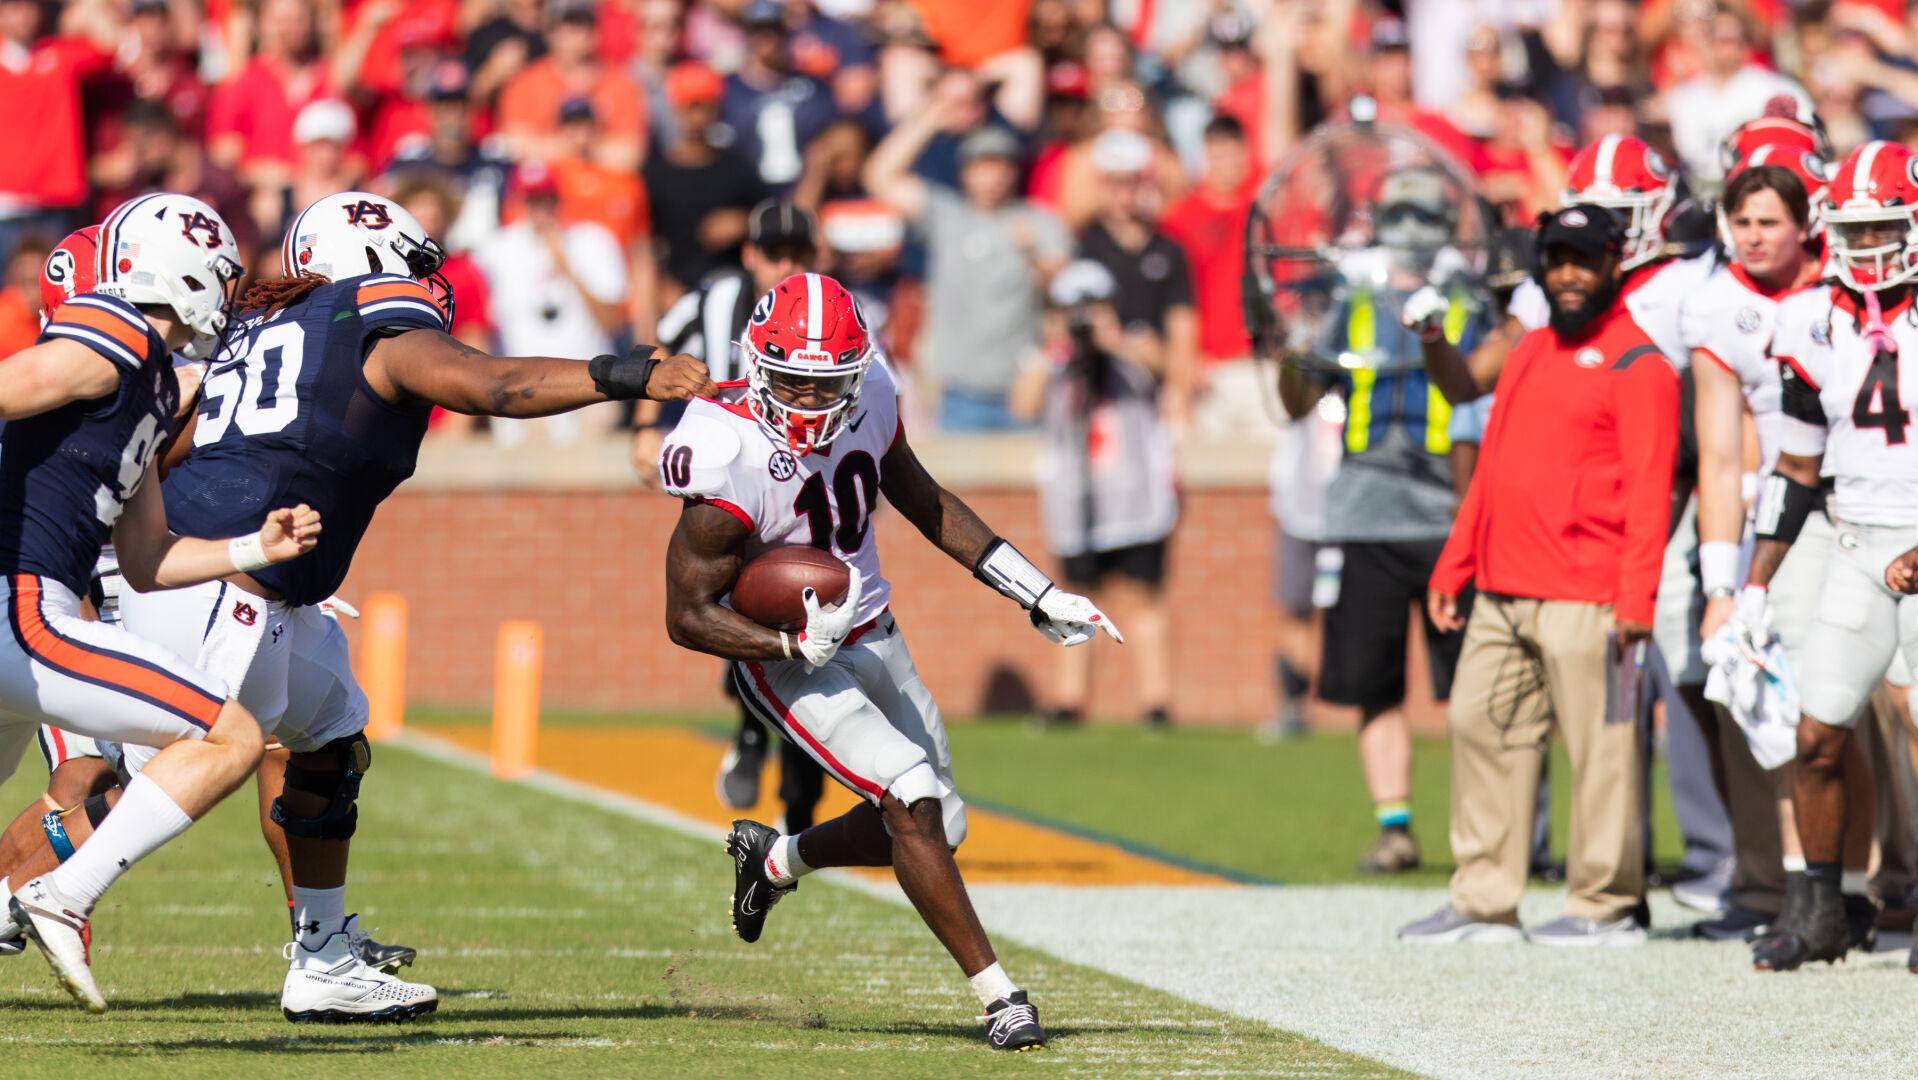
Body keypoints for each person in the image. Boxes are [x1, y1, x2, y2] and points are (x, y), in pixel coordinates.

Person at [89, 191, 712, 1022]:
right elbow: (495, 384)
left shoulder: (267, 325)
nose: (428, 284)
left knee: (332, 733)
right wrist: (624, 374)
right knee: (135, 779)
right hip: (222, 583)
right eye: (414, 265)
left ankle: (323, 958)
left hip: (215, 573)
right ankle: (55, 895)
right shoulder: (369, 318)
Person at [660, 272, 1120, 1052]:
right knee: (910, 795)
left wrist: (1036, 592)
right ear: (758, 364)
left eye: (827, 385)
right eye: (795, 384)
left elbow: (924, 498)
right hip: (788, 657)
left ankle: (776, 859)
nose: (811, 405)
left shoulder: (872, 393)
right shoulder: (721, 445)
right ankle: (999, 996)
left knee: (939, 823)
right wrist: (787, 645)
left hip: (875, 626)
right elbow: (686, 615)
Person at [0, 194, 322, 1013]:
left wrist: (256, 549)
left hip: (32, 608)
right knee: (231, 733)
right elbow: (13, 386)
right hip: (23, 606)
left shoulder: (146, 380)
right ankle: (62, 896)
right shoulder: (115, 329)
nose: (227, 292)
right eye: (220, 276)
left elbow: (146, 560)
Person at [1403, 204, 1680, 946]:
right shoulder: (1526, 350)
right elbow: (1491, 469)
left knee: (1603, 752)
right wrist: (1456, 562)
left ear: (1614, 264)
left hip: (1592, 595)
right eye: (1557, 259)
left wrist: (1636, 598)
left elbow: (1652, 493)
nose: (1567, 275)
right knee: (1478, 726)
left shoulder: (1641, 364)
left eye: (1583, 260)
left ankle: (1605, 905)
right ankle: (1485, 898)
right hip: (1502, 590)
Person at [1739, 141, 1918, 971]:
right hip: (1855, 539)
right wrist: (1753, 582)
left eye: (1884, 228)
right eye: (1853, 230)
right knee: (1818, 733)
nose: (1869, 247)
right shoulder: (1811, 322)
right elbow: (1796, 468)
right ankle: (1819, 913)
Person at [1277, 166, 1480, 875]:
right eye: (1401, 215)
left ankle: (1482, 826)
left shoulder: (1470, 300)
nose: (1414, 231)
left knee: (1475, 683)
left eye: (1427, 217)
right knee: (1374, 681)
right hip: (1364, 513)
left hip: (1450, 512)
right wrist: (1291, 344)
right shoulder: (1349, 302)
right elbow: (1298, 399)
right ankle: (1394, 824)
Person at [1686, 143, 1861, 945]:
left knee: (1895, 706)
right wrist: (1726, 584)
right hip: (1788, 512)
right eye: (1742, 221)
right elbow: (1724, 457)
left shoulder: (1855, 286)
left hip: (1876, 503)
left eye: (1770, 221)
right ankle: (1799, 884)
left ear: (1807, 222)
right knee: (1789, 705)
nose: (1754, 236)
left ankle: (1888, 878)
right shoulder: (1717, 304)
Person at [637, 198, 829, 830]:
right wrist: (645, 422)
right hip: (741, 483)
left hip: (812, 489)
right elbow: (659, 347)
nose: (786, 266)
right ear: (751, 255)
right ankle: (751, 729)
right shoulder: (714, 301)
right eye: (776, 254)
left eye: (798, 254)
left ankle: (798, 799)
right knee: (744, 606)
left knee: (818, 633)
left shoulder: (833, 312)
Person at [1013, 260, 1177, 727]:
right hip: (1075, 506)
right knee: (1074, 599)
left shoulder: (1135, 344)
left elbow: (1164, 369)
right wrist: (1053, 347)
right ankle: (1070, 699)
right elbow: (1023, 403)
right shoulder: (1054, 358)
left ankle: (1156, 702)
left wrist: (1114, 340)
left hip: (1136, 501)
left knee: (1143, 595)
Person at [865, 103, 1070, 431]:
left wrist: (1033, 255)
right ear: (965, 171)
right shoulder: (946, 216)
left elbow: (1063, 292)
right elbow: (879, 176)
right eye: (983, 165)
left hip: (1023, 391)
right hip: (956, 392)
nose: (994, 175)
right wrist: (931, 115)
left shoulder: (1039, 221)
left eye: (1002, 165)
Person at [474, 162, 631, 446]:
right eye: (532, 201)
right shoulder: (496, 250)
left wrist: (567, 265)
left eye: (547, 200)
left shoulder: (594, 241)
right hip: (522, 387)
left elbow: (612, 322)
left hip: (588, 385)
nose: (540, 209)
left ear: (559, 199)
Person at [643, 60, 769, 295]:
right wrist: (660, 287)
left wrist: (744, 222)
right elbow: (643, 245)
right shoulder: (654, 175)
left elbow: (769, 218)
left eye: (705, 106)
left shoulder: (738, 168)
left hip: (734, 291)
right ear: (675, 110)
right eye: (691, 106)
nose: (698, 116)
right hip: (676, 295)